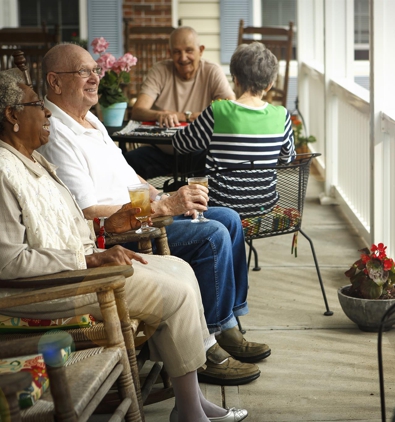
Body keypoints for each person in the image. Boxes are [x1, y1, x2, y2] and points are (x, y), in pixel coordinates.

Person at [0, 68, 249, 422]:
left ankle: (190, 401)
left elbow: (74, 219)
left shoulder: (34, 159)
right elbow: (9, 262)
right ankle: (191, 410)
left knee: (181, 269)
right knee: (177, 289)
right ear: (11, 115)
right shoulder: (3, 171)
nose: (46, 113)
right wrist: (88, 258)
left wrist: (123, 222)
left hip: (82, 267)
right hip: (58, 287)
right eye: (36, 104)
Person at [38, 43, 270, 386]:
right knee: (212, 234)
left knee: (228, 218)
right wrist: (161, 208)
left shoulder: (90, 121)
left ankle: (227, 324)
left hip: (146, 214)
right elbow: (89, 212)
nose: (94, 78)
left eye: (95, 70)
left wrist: (163, 196)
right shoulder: (57, 133)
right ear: (55, 83)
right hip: (124, 231)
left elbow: (130, 176)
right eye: (83, 72)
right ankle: (208, 347)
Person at [173, 42, 295, 217]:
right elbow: (287, 158)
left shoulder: (218, 110)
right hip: (264, 205)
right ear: (270, 84)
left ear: (235, 79)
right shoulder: (282, 115)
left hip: (221, 205)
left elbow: (181, 144)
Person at [126, 26, 236, 179]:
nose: (183, 58)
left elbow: (231, 109)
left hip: (199, 152)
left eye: (189, 50)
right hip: (161, 152)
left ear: (201, 50)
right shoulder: (159, 70)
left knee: (224, 163)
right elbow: (138, 111)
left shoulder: (212, 71)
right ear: (170, 53)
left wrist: (183, 116)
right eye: (177, 52)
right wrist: (159, 114)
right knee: (126, 163)